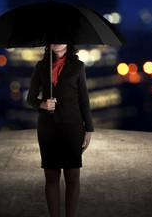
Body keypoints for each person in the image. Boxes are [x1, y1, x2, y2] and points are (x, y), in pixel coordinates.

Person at [26, 44, 94, 217]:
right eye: (54, 38)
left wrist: (89, 129)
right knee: (51, 176)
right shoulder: (41, 66)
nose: (58, 41)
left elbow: (84, 99)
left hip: (73, 126)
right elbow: (30, 98)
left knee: (72, 176)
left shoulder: (78, 66)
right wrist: (43, 104)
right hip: (48, 127)